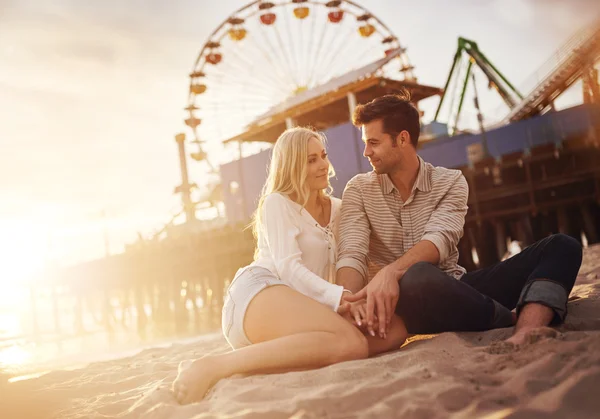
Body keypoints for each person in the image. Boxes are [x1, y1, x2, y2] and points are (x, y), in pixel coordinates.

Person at [172, 127, 408, 404]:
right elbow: (288, 269)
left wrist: (361, 298)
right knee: (351, 344)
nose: (323, 165)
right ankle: (214, 365)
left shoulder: (339, 209)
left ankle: (286, 353)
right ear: (292, 165)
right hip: (260, 293)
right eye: (311, 160)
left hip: (312, 307)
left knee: (395, 331)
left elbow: (360, 254)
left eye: (323, 156)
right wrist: (341, 298)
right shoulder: (277, 204)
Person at [336, 93, 583, 345]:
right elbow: (352, 253)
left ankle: (526, 329)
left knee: (563, 246)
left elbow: (439, 240)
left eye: (374, 142)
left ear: (402, 139)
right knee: (416, 277)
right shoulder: (358, 189)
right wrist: (349, 299)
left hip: (456, 289)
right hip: (401, 304)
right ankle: (505, 318)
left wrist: (390, 271)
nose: (366, 152)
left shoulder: (450, 181)